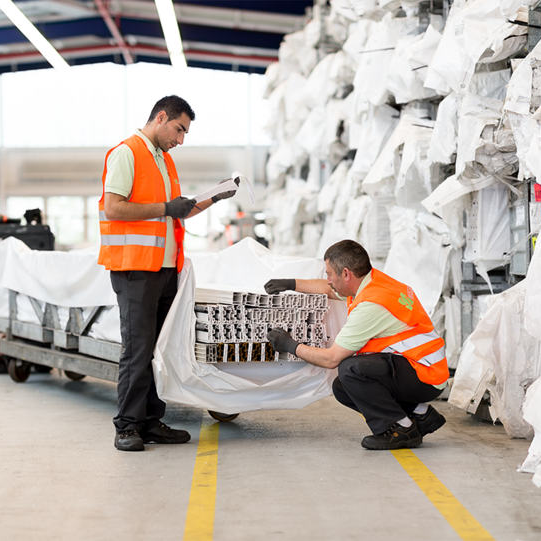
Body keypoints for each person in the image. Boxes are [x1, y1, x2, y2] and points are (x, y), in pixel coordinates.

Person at [98, 95, 238, 451]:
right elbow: (114, 208)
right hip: (135, 270)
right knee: (138, 350)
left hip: (164, 271)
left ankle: (150, 421)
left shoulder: (164, 161)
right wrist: (165, 206)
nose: (181, 139)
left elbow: (177, 212)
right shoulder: (126, 153)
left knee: (157, 349)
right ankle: (127, 427)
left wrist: (215, 197)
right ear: (161, 117)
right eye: (179, 129)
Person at [265, 239, 448, 450]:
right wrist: (291, 284)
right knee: (342, 387)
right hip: (420, 366)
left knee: (349, 369)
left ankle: (401, 429)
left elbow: (331, 359)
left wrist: (290, 345)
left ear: (346, 274)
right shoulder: (372, 282)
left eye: (329, 274)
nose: (328, 280)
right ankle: (421, 414)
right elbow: (332, 290)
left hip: (425, 375)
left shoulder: (371, 305)